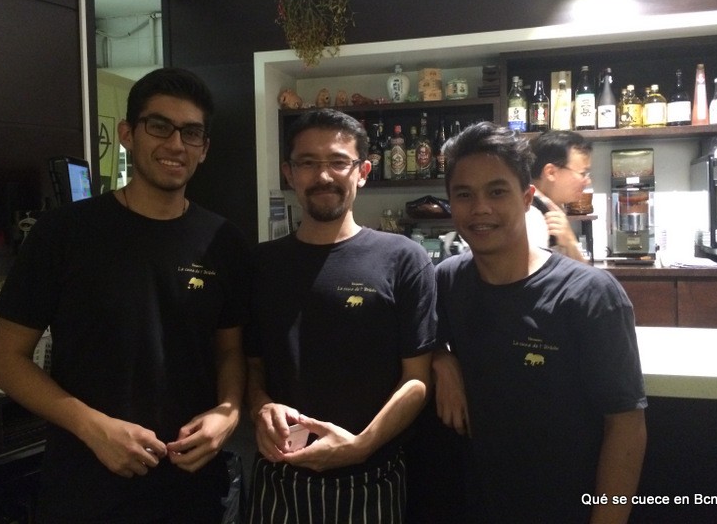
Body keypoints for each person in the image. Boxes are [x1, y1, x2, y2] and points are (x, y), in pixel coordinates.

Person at [0, 68, 248, 523]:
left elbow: (229, 351)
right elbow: (6, 360)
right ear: (128, 134)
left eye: (191, 133)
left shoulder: (223, 241)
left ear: (204, 149)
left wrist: (228, 413)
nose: (176, 144)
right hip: (87, 488)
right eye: (159, 126)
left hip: (192, 489)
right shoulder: (64, 233)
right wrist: (93, 428)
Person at [432, 122, 647, 523]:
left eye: (497, 192)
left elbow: (625, 425)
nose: (480, 208)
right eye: (464, 195)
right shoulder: (448, 279)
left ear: (527, 198)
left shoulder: (590, 294)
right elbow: (416, 337)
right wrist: (442, 359)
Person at [244, 108, 436, 523]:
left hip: (371, 479)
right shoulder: (261, 264)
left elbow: (417, 378)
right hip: (279, 478)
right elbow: (253, 367)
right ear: (289, 173)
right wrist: (261, 408)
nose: (323, 176)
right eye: (307, 163)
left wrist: (361, 446)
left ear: (362, 172)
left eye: (337, 162)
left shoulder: (403, 258)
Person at [526, 130, 593, 262]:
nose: (588, 181)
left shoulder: (550, 209)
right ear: (551, 172)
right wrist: (570, 242)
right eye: (582, 173)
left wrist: (570, 242)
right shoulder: (531, 216)